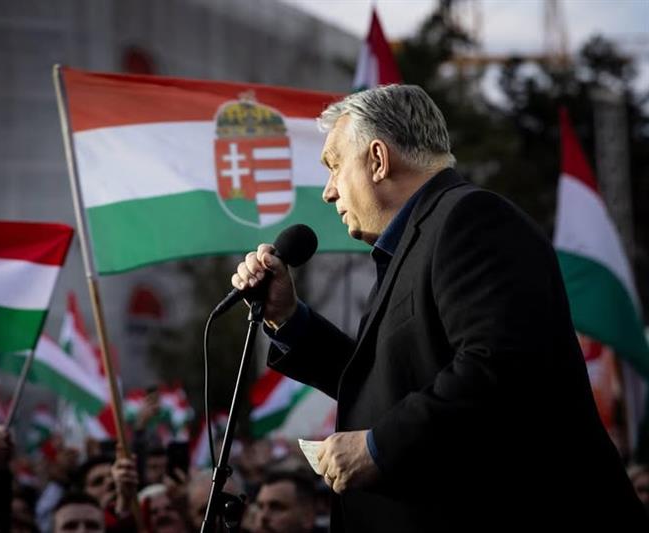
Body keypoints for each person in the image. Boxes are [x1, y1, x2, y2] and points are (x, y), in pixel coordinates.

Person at [230, 84, 648, 531]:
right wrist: (288, 319)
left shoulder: (471, 219)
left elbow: (500, 365)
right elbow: (385, 383)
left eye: (334, 166)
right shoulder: (413, 247)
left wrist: (378, 447)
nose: (329, 192)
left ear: (378, 160)